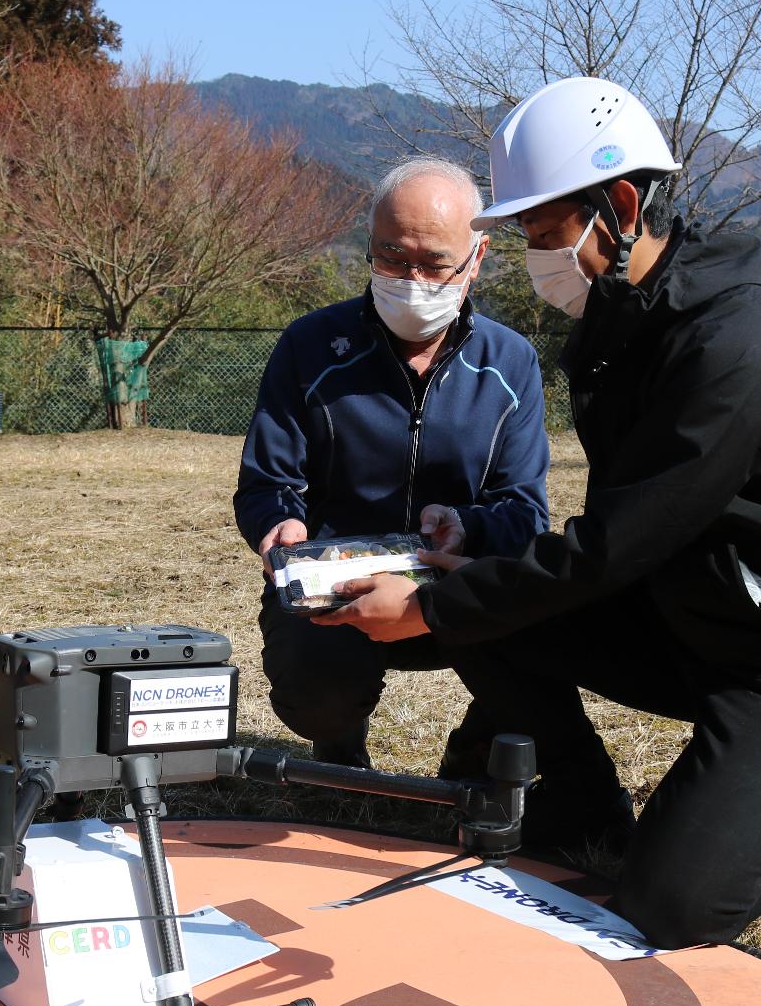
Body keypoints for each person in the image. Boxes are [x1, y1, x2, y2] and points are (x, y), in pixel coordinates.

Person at [318, 78, 761, 949]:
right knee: (497, 608)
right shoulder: (622, 322)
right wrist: (469, 583)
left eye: (550, 234)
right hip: (693, 606)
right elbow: (612, 543)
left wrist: (432, 605)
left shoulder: (735, 341)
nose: (539, 258)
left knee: (672, 904)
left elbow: (621, 542)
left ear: (621, 204)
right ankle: (581, 803)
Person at [234, 157, 549, 770]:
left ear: (475, 258)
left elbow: (525, 507)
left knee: (544, 625)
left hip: (456, 580)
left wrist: (471, 526)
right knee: (311, 681)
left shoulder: (510, 363)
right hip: (336, 584)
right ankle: (337, 738)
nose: (410, 279)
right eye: (390, 256)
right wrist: (279, 525)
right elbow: (268, 482)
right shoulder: (310, 346)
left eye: (432, 263)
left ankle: (477, 757)